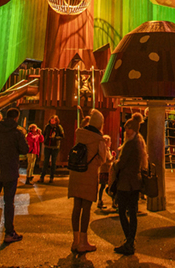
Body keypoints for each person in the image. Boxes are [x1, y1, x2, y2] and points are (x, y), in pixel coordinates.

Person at [68, 108, 109, 254]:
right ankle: (84, 242)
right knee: (86, 208)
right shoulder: (99, 139)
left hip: (76, 173)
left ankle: (75, 240)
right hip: (89, 174)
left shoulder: (80, 133)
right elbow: (102, 158)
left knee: (76, 207)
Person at [0, 107, 29, 244]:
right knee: (9, 203)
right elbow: (24, 149)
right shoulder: (17, 133)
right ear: (16, 117)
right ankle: (9, 232)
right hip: (10, 170)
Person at [110, 113, 146, 255]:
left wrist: (115, 165)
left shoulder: (131, 144)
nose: (127, 131)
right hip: (135, 182)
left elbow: (122, 163)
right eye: (126, 128)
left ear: (134, 129)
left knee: (123, 211)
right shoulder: (138, 142)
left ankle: (129, 240)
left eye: (129, 128)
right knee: (132, 211)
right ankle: (130, 240)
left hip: (127, 182)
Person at [39, 114, 64, 184]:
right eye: (51, 120)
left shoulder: (59, 127)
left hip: (55, 147)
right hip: (47, 146)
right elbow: (44, 134)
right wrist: (45, 140)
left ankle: (51, 177)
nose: (52, 122)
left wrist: (55, 138)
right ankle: (42, 176)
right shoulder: (47, 127)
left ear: (56, 121)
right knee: (45, 162)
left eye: (53, 121)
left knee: (53, 162)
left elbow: (62, 136)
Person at [97, 133, 115, 210]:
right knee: (108, 185)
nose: (111, 143)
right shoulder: (105, 150)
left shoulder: (106, 150)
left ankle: (100, 200)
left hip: (104, 170)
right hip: (105, 170)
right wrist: (113, 158)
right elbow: (107, 160)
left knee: (103, 186)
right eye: (110, 141)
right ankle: (113, 201)